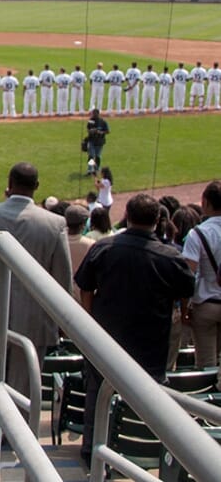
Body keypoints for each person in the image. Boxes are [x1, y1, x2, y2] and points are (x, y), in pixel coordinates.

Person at [74, 193, 195, 465]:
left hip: (107, 340)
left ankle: (92, 449)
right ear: (157, 220)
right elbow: (187, 290)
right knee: (150, 397)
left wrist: (90, 318)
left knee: (97, 391)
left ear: (127, 215)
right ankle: (144, 449)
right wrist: (183, 310)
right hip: (150, 343)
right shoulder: (170, 256)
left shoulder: (103, 248)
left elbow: (84, 286)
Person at [0, 162, 72, 405]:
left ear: (9, 185)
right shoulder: (54, 224)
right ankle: (17, 440)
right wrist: (63, 320)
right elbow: (62, 279)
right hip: (34, 318)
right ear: (37, 187)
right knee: (23, 389)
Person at [181, 180, 221, 371]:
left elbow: (189, 275)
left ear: (205, 202)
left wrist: (184, 307)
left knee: (207, 365)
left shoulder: (197, 233)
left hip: (205, 305)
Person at [64, 205, 94, 306]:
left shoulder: (58, 241)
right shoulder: (91, 244)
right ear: (83, 225)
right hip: (82, 297)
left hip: (61, 293)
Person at [85, 108, 109, 175]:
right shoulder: (91, 121)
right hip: (91, 141)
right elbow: (88, 129)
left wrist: (100, 132)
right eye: (93, 114)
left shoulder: (102, 121)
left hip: (100, 142)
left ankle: (96, 169)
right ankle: (90, 169)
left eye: (94, 114)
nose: (93, 115)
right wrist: (91, 131)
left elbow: (107, 131)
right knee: (91, 155)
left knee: (98, 156)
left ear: (98, 114)